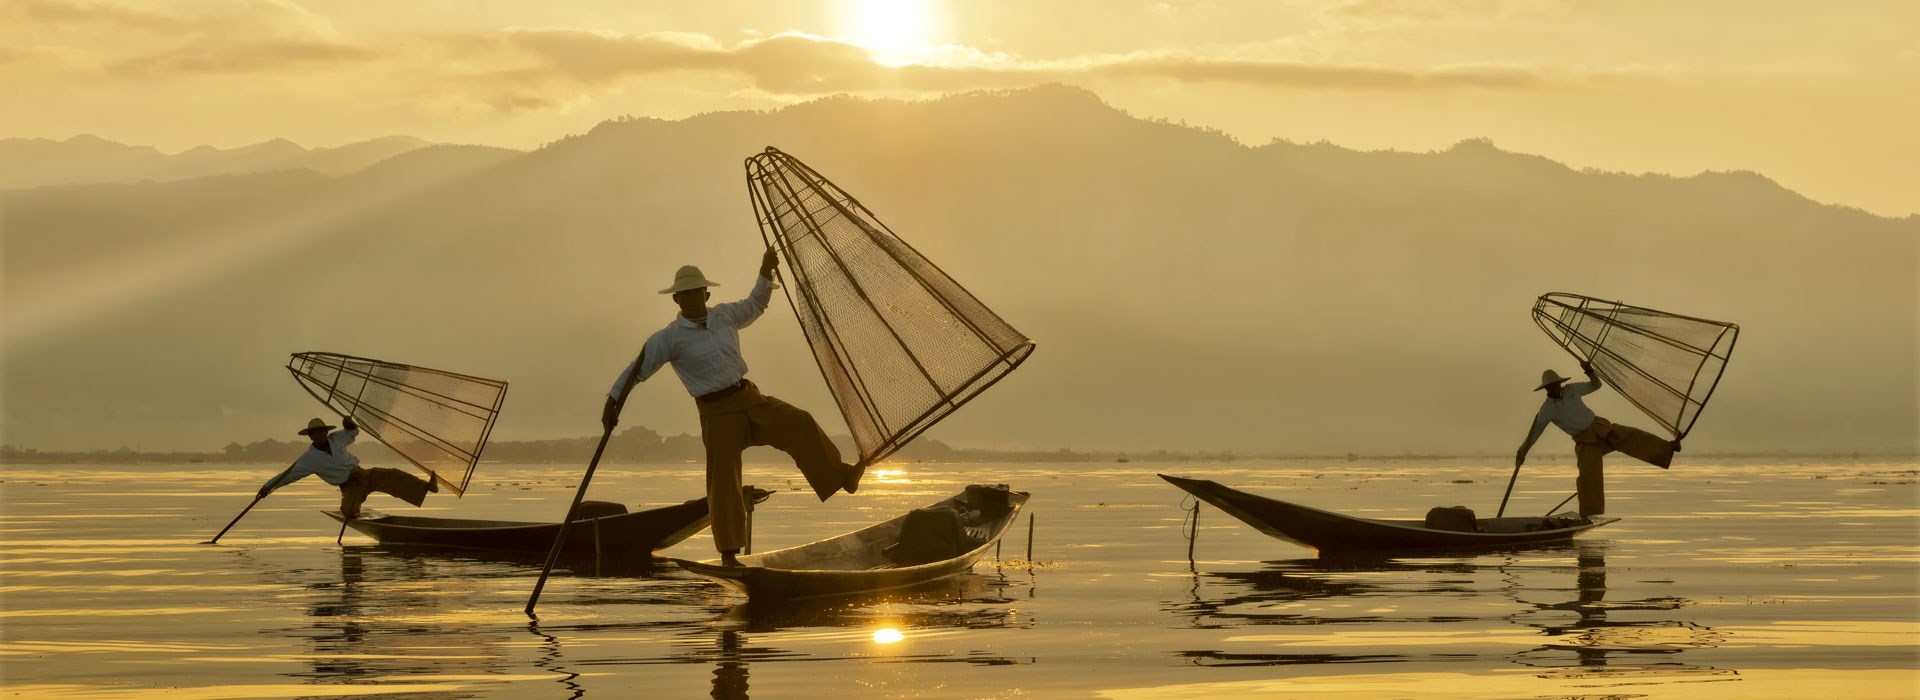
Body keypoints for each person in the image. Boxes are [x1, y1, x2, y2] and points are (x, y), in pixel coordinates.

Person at [603, 249, 862, 567]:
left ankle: (841, 477)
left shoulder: (724, 315)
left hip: (749, 399)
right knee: (723, 482)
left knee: (799, 422)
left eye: (696, 293)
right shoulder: (668, 339)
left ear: (706, 294)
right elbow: (637, 369)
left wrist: (765, 272)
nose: (691, 299)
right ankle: (729, 555)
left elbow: (755, 304)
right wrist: (613, 400)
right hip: (716, 413)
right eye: (685, 295)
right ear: (677, 300)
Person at [1515, 361, 1681, 517]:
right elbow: (1534, 434)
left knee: (1632, 436)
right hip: (1585, 441)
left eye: (1556, 385)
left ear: (1559, 383)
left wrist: (1589, 371)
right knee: (1588, 477)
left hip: (1600, 427)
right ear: (1546, 389)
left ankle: (1668, 448)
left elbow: (1596, 385)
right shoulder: (1546, 410)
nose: (1554, 388)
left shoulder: (1571, 390)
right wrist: (1522, 452)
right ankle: (1588, 513)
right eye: (1551, 387)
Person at [257, 416, 437, 518]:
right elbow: (287, 476)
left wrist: (349, 424)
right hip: (349, 485)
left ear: (326, 432)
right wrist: (267, 488)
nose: (321, 435)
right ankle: (354, 512)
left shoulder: (336, 438)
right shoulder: (308, 459)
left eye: (322, 432)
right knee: (349, 512)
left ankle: (426, 486)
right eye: (316, 433)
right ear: (311, 437)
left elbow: (352, 433)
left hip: (362, 474)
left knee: (393, 475)